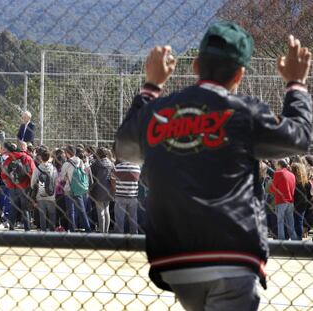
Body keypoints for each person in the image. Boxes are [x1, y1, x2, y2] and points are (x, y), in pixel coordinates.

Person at [114, 21, 312, 310]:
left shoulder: (158, 112)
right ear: (240, 74)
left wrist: (151, 87)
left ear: (195, 65)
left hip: (174, 259)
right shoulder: (244, 112)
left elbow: (124, 147)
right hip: (231, 255)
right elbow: (300, 138)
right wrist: (296, 85)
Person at [0, 142, 36, 231]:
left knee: (13, 207)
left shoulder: (8, 160)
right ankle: (27, 228)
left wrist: (9, 184)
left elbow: (3, 175)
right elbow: (33, 173)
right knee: (25, 209)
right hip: (25, 187)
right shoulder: (27, 158)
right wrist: (31, 185)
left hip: (13, 187)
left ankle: (11, 227)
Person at [60, 145, 91, 232]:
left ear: (67, 153)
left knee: (71, 212)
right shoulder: (80, 161)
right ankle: (88, 229)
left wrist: (67, 176)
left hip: (69, 189)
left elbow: (62, 178)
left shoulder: (66, 164)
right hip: (79, 188)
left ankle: (72, 230)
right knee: (82, 210)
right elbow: (84, 172)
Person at [270, 159, 298, 240]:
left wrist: (271, 184)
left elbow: (272, 188)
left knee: (280, 224)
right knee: (290, 224)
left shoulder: (278, 173)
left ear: (279, 165)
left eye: (276, 165)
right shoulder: (292, 175)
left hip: (281, 201)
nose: (275, 166)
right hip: (290, 201)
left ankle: (281, 241)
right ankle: (295, 241)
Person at [30, 148, 57, 231]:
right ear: (49, 158)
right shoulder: (53, 168)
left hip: (41, 194)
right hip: (51, 194)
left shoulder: (37, 169)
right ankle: (52, 231)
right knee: (52, 214)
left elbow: (33, 182)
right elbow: (56, 181)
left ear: (41, 158)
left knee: (42, 215)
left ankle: (43, 231)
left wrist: (34, 189)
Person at [111, 160, 140, 234]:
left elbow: (112, 180)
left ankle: (119, 238)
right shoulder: (137, 167)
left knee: (119, 220)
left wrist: (116, 190)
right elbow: (138, 180)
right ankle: (135, 238)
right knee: (133, 219)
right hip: (133, 196)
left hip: (120, 196)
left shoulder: (117, 167)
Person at [90, 147, 114, 233]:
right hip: (109, 190)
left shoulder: (95, 164)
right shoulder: (111, 164)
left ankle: (102, 232)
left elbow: (91, 176)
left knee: (100, 212)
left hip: (98, 191)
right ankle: (106, 232)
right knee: (107, 211)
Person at [290, 162, 311, 240]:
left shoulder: (293, 181)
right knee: (299, 222)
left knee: (295, 223)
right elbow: (309, 195)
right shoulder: (306, 182)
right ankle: (298, 239)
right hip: (303, 205)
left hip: (293, 203)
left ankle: (297, 239)